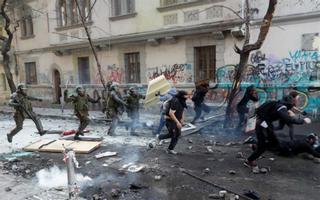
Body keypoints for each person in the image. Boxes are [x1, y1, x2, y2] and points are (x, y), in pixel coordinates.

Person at [245, 94, 312, 167]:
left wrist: (297, 114)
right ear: (289, 103)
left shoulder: (278, 104)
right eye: (293, 103)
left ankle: (255, 145)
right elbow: (288, 119)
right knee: (265, 145)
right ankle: (250, 159)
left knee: (272, 142)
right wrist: (303, 121)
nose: (293, 106)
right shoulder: (281, 107)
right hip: (263, 125)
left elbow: (290, 111)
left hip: (263, 124)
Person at [156, 90, 190, 154]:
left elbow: (182, 110)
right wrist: (178, 122)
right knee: (173, 134)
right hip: (170, 120)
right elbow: (171, 113)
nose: (187, 96)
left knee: (177, 134)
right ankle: (160, 137)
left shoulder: (182, 100)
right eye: (186, 95)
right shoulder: (176, 101)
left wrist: (182, 119)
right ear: (182, 95)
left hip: (176, 119)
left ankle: (170, 149)